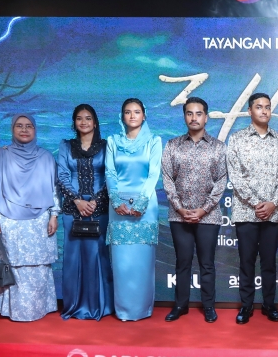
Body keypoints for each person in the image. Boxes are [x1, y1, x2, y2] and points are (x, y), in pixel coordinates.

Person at [0, 114, 60, 322]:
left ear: (35, 130)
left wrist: (54, 214)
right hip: (9, 218)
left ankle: (40, 308)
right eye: (19, 126)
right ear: (12, 129)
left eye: (29, 126)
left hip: (39, 219)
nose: (24, 129)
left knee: (39, 265)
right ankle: (13, 310)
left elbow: (53, 188)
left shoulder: (45, 156)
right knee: (13, 264)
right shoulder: (0, 155)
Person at [226, 92, 278, 324]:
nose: (264, 111)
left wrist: (273, 203)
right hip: (246, 212)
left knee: (269, 262)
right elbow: (235, 175)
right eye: (259, 107)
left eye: (267, 107)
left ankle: (269, 304)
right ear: (249, 111)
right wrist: (256, 203)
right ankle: (246, 307)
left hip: (274, 213)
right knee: (246, 261)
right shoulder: (237, 139)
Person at [162, 97, 227, 323]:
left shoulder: (218, 147)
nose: (194, 118)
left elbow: (221, 182)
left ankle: (209, 306)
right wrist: (180, 209)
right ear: (184, 117)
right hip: (178, 217)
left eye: (198, 113)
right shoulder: (172, 146)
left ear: (206, 117)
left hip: (208, 217)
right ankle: (180, 305)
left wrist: (204, 209)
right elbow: (168, 180)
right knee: (183, 262)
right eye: (189, 113)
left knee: (207, 264)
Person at [105, 98, 162, 321]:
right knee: (122, 264)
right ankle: (123, 310)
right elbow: (110, 173)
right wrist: (116, 201)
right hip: (117, 206)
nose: (132, 116)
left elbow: (153, 174)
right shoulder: (113, 141)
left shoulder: (154, 141)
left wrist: (140, 203)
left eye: (136, 112)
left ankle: (142, 309)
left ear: (144, 115)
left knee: (142, 263)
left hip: (145, 207)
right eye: (127, 112)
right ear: (122, 116)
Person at [55, 103, 113, 321]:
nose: (84, 122)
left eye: (88, 118)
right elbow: (62, 176)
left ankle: (100, 305)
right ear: (74, 123)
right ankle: (73, 305)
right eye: (79, 118)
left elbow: (110, 176)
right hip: (72, 208)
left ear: (95, 122)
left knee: (98, 256)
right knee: (73, 258)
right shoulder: (65, 146)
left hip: (100, 208)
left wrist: (95, 201)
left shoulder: (107, 146)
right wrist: (78, 201)